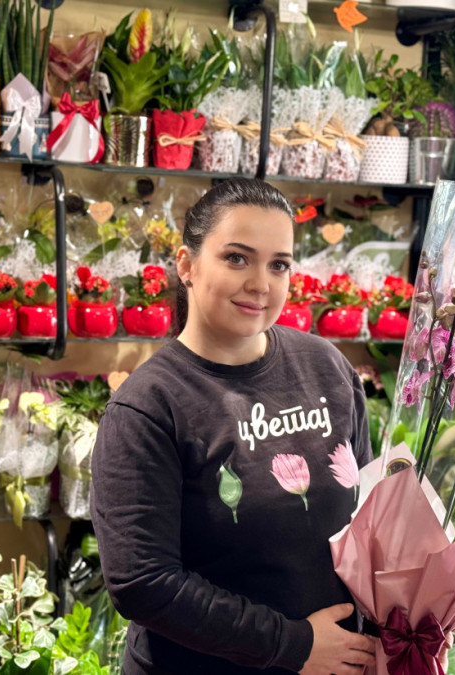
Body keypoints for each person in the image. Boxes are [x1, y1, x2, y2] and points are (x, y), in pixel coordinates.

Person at [90, 178, 376, 675]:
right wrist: (293, 645)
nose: (260, 284)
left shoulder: (327, 367)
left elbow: (372, 516)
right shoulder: (148, 406)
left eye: (279, 264)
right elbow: (144, 583)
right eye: (237, 258)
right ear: (187, 266)